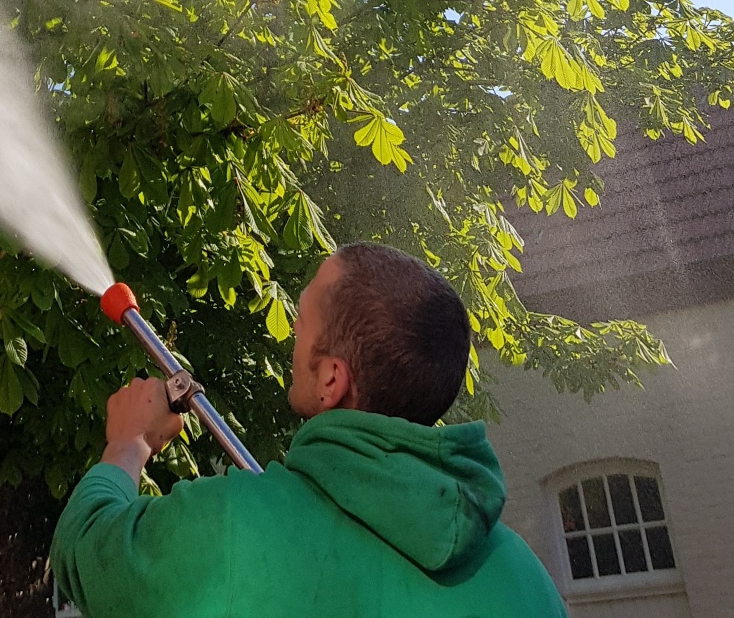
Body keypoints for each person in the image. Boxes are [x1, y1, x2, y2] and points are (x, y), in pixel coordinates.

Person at [50, 243, 565, 618]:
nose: (294, 328)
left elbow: (85, 551)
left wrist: (127, 443)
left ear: (332, 381)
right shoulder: (527, 579)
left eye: (302, 317)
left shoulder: (237, 528)